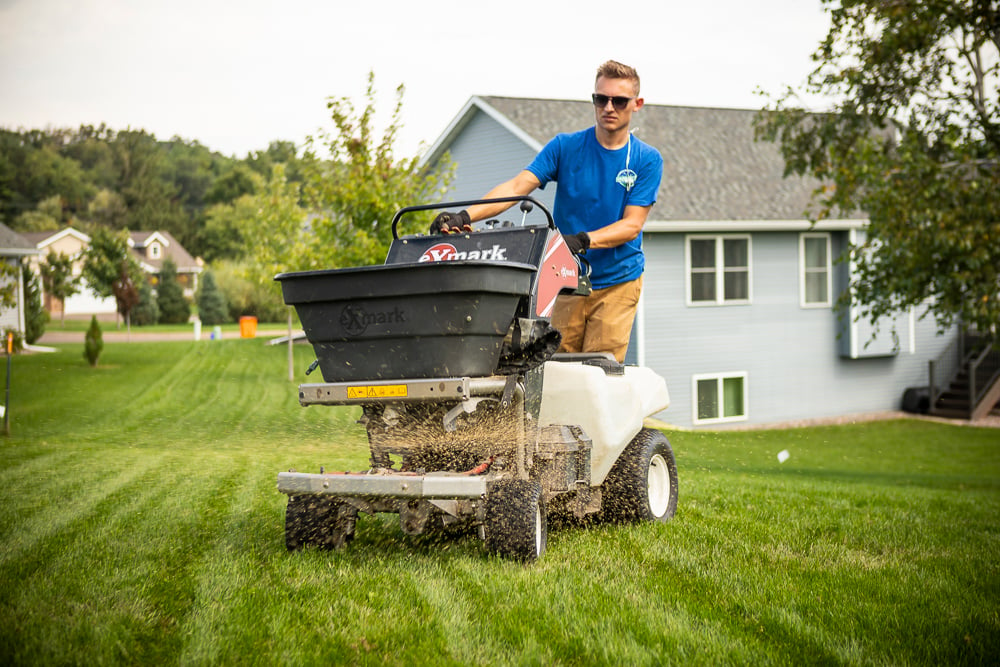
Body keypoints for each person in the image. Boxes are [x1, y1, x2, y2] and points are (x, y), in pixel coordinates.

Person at [431, 60, 664, 363]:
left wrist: (580, 240)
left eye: (619, 101)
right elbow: (518, 185)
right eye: (600, 98)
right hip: (565, 277)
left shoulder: (646, 159)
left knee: (599, 371)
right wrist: (464, 216)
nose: (609, 107)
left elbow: (632, 225)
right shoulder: (565, 147)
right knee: (555, 367)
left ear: (637, 104)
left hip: (617, 281)